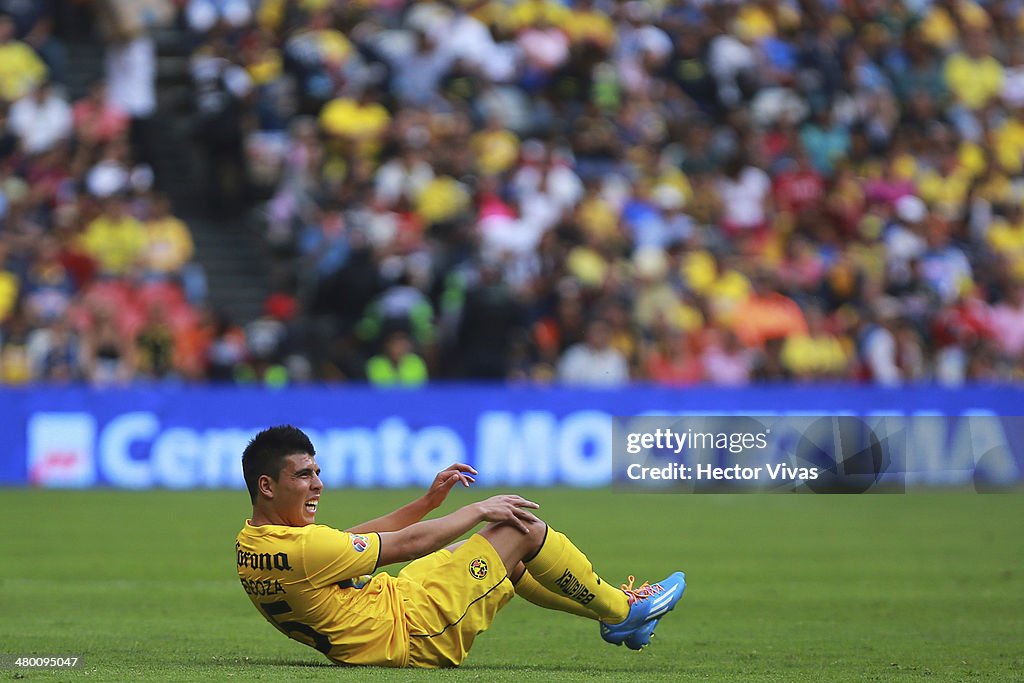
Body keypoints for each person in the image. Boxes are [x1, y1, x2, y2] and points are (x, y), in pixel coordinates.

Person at [236, 426, 686, 668]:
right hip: (414, 631)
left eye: (317, 471)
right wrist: (478, 509)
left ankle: (617, 613)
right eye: (303, 475)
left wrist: (428, 502)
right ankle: (625, 613)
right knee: (520, 529)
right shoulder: (303, 548)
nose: (318, 484)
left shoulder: (254, 543)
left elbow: (350, 543)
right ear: (267, 485)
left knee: (507, 564)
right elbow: (409, 544)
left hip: (394, 606)